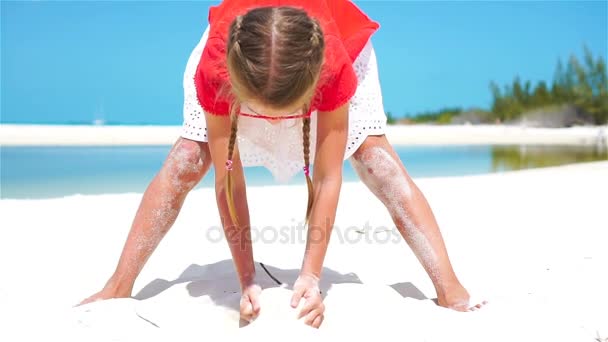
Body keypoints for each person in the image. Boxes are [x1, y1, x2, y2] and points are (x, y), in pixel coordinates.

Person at [80, 0, 485, 328]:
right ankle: (118, 284)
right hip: (245, 57)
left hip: (329, 46)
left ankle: (450, 288)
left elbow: (327, 178)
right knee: (188, 158)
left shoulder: (334, 68)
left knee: (378, 164)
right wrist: (246, 279)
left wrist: (310, 276)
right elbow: (228, 181)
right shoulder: (217, 68)